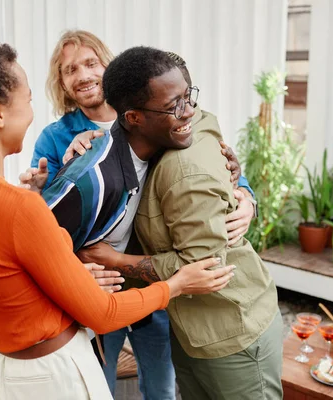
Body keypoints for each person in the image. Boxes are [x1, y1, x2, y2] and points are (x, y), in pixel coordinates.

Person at [0, 15, 235, 399]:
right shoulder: (19, 207)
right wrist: (176, 284)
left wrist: (53, 291)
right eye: (28, 101)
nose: (34, 113)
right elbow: (101, 314)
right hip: (55, 375)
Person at [26, 31, 255, 399]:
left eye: (90, 63)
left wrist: (246, 196)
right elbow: (52, 214)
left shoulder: (163, 116)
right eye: (70, 70)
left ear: (109, 66)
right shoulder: (57, 138)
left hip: (153, 278)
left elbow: (210, 162)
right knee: (97, 380)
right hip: (101, 285)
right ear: (62, 83)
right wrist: (42, 187)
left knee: (161, 381)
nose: (82, 75)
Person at [78, 47, 283, 400]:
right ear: (133, 117)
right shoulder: (131, 146)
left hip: (231, 330)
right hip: (188, 327)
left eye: (188, 97)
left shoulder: (183, 166)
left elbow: (200, 268)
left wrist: (115, 261)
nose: (188, 111)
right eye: (175, 104)